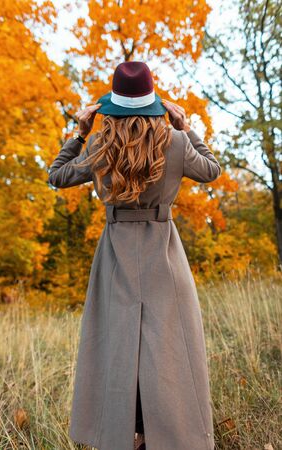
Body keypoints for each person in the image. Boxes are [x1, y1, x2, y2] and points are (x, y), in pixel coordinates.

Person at [48, 61, 221, 450]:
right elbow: (211, 170)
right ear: (153, 105)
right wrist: (186, 127)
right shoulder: (174, 143)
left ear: (113, 105)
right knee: (166, 347)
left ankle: (126, 435)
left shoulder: (98, 145)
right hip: (164, 253)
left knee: (119, 346)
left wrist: (79, 133)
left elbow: (56, 176)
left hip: (115, 255)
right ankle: (171, 436)